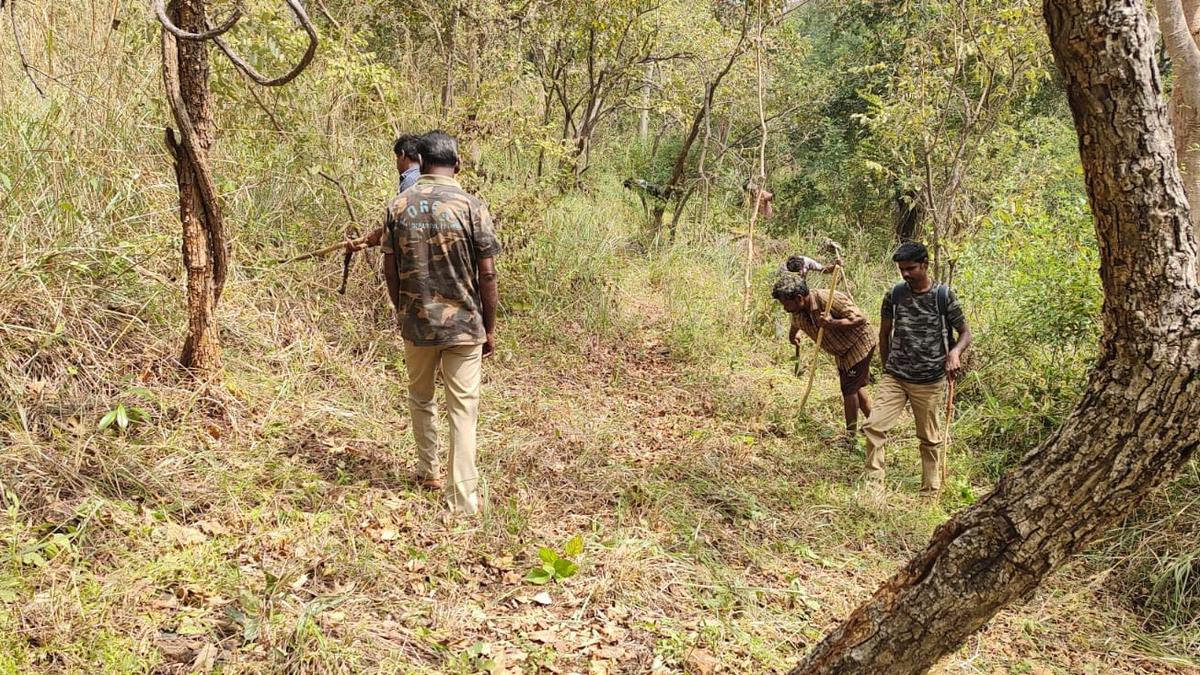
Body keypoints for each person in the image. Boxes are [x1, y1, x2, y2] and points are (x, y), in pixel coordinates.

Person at [349, 131, 501, 516]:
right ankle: (463, 501)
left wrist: (402, 310)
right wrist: (490, 325)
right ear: (457, 164)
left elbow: (390, 266)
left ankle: (427, 470)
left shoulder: (399, 205)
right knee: (463, 411)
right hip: (465, 326)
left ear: (418, 160)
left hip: (417, 325)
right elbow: (487, 274)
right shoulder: (473, 206)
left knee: (421, 397)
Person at [863, 242, 972, 494]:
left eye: (911, 268)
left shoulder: (943, 296)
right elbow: (884, 334)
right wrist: (888, 366)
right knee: (874, 427)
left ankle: (930, 490)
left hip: (930, 380)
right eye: (902, 269)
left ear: (925, 264)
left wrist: (954, 353)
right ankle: (873, 487)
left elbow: (965, 332)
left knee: (929, 438)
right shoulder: (895, 295)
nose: (905, 274)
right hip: (896, 377)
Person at [773, 275, 877, 445]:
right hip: (841, 351)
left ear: (799, 298)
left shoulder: (827, 299)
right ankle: (876, 423)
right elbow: (795, 323)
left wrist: (833, 323)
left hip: (859, 344)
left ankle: (850, 438)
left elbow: (860, 319)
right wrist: (793, 336)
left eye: (786, 304)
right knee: (855, 387)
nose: (785, 308)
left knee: (849, 388)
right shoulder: (798, 310)